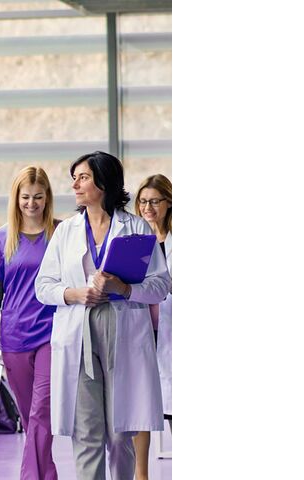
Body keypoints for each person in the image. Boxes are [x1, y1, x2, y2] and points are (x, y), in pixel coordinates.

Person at [35, 151, 171, 480]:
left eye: (83, 178)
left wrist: (124, 288)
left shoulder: (136, 227)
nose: (75, 185)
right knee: (86, 431)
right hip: (79, 328)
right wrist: (74, 294)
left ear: (104, 183)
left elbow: (161, 286)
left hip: (122, 325)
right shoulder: (66, 231)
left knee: (120, 432)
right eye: (75, 178)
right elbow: (43, 286)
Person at [0, 166, 59, 480]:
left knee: (42, 411)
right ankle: (47, 474)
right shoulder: (2, 238)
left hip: (52, 335)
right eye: (25, 197)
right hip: (14, 338)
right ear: (16, 198)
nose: (31, 203)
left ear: (47, 197)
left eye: (38, 197)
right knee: (31, 419)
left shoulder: (60, 234)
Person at [132, 174, 173, 479]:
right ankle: (141, 474)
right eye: (143, 201)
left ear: (168, 203)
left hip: (171, 330)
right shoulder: (135, 240)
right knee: (141, 404)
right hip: (142, 329)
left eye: (154, 201)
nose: (147, 208)